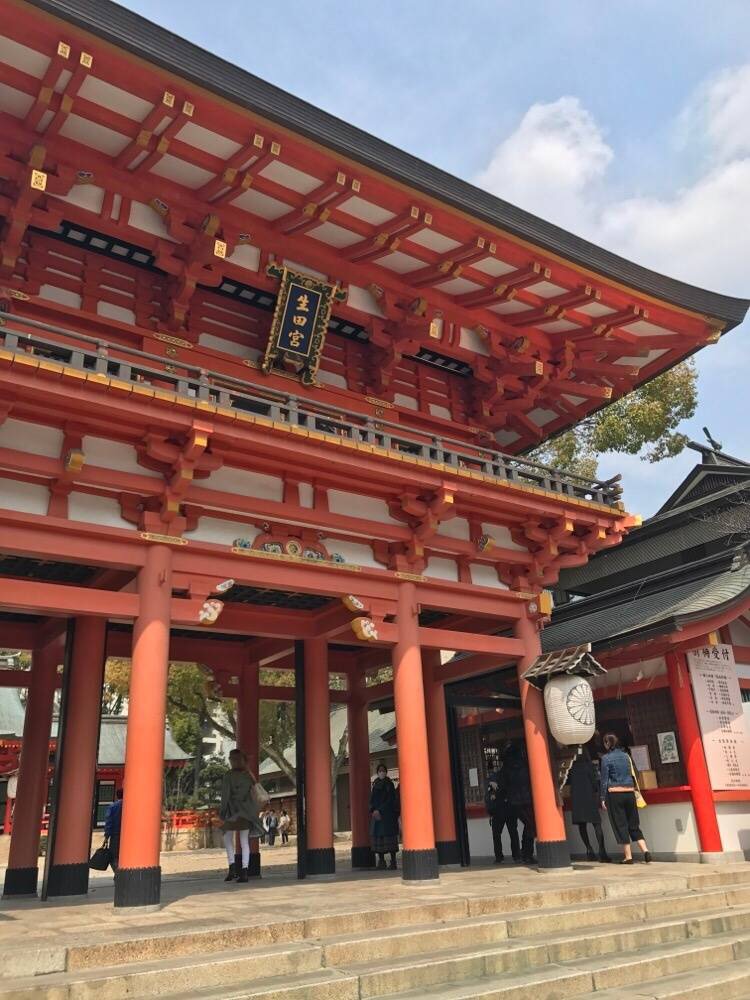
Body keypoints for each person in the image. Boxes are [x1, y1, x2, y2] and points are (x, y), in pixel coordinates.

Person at [600, 733, 651, 865]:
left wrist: (602, 798)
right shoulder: (626, 756)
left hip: (615, 794)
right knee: (634, 824)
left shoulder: (606, 759)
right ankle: (645, 850)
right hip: (629, 792)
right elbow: (634, 773)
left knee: (621, 824)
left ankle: (628, 857)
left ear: (607, 743)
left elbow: (604, 780)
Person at [219, 748, 263, 883]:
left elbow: (225, 796)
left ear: (233, 761)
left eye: (231, 759)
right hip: (247, 812)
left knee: (227, 838)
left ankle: (232, 868)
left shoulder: (228, 775)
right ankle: (244, 871)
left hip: (232, 812)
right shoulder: (249, 775)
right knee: (244, 842)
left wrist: (222, 813)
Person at [568, 748, 609, 862]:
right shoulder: (589, 766)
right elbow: (595, 783)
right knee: (597, 824)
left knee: (582, 826)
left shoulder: (572, 768)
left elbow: (568, 783)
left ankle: (589, 849)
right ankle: (602, 851)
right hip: (590, 798)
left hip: (576, 799)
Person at [502, 741, 536, 864]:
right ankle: (527, 853)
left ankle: (524, 852)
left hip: (513, 801)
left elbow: (504, 785)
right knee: (531, 826)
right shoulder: (526, 765)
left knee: (526, 826)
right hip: (527, 799)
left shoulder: (506, 768)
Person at [484, 757, 520, 863]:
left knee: (497, 835)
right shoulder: (512, 776)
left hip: (498, 809)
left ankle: (499, 856)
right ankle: (516, 855)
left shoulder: (494, 777)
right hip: (509, 808)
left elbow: (490, 793)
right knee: (513, 833)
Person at [369, 761, 399, 870]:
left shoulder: (389, 784)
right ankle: (381, 861)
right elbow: (371, 799)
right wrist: (373, 810)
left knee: (389, 838)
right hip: (376, 816)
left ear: (386, 772)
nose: (381, 772)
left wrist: (380, 810)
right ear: (377, 772)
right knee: (378, 838)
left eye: (383, 771)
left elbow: (391, 799)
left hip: (387, 816)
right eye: (380, 771)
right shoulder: (375, 784)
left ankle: (393, 861)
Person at [104, 787, 123, 870]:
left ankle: (117, 872)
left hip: (115, 835)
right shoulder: (129, 806)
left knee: (114, 856)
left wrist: (106, 836)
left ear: (117, 796)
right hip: (128, 836)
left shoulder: (112, 807)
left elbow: (109, 822)